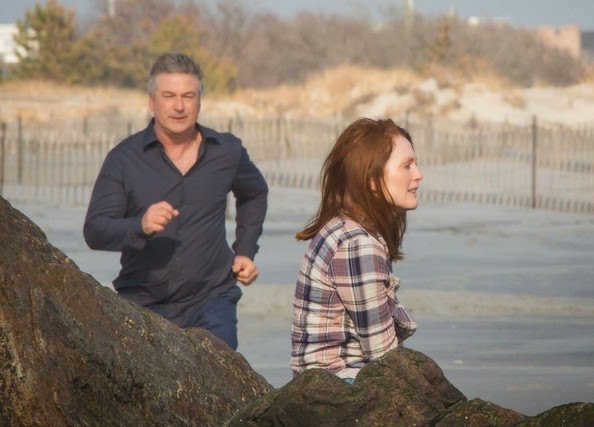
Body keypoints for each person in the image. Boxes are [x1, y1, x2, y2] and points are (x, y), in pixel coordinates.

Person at [83, 52, 268, 350]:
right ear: (152, 101)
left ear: (199, 100)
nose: (179, 106)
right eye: (169, 96)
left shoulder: (227, 152)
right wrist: (140, 225)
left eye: (188, 96)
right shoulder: (124, 159)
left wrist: (245, 251)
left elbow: (255, 193)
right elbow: (95, 230)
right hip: (143, 304)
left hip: (212, 300)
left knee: (219, 377)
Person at [290, 117, 422, 383]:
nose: (418, 175)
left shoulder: (345, 227)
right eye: (407, 166)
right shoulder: (358, 245)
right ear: (372, 180)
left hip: (327, 380)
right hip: (341, 381)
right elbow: (383, 354)